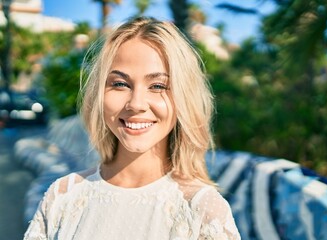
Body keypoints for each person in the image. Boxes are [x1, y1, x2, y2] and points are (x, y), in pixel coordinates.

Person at [24, 17, 241, 240]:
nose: (136, 104)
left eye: (158, 86)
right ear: (99, 93)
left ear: (183, 97)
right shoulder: (62, 196)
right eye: (120, 84)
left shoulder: (203, 211)